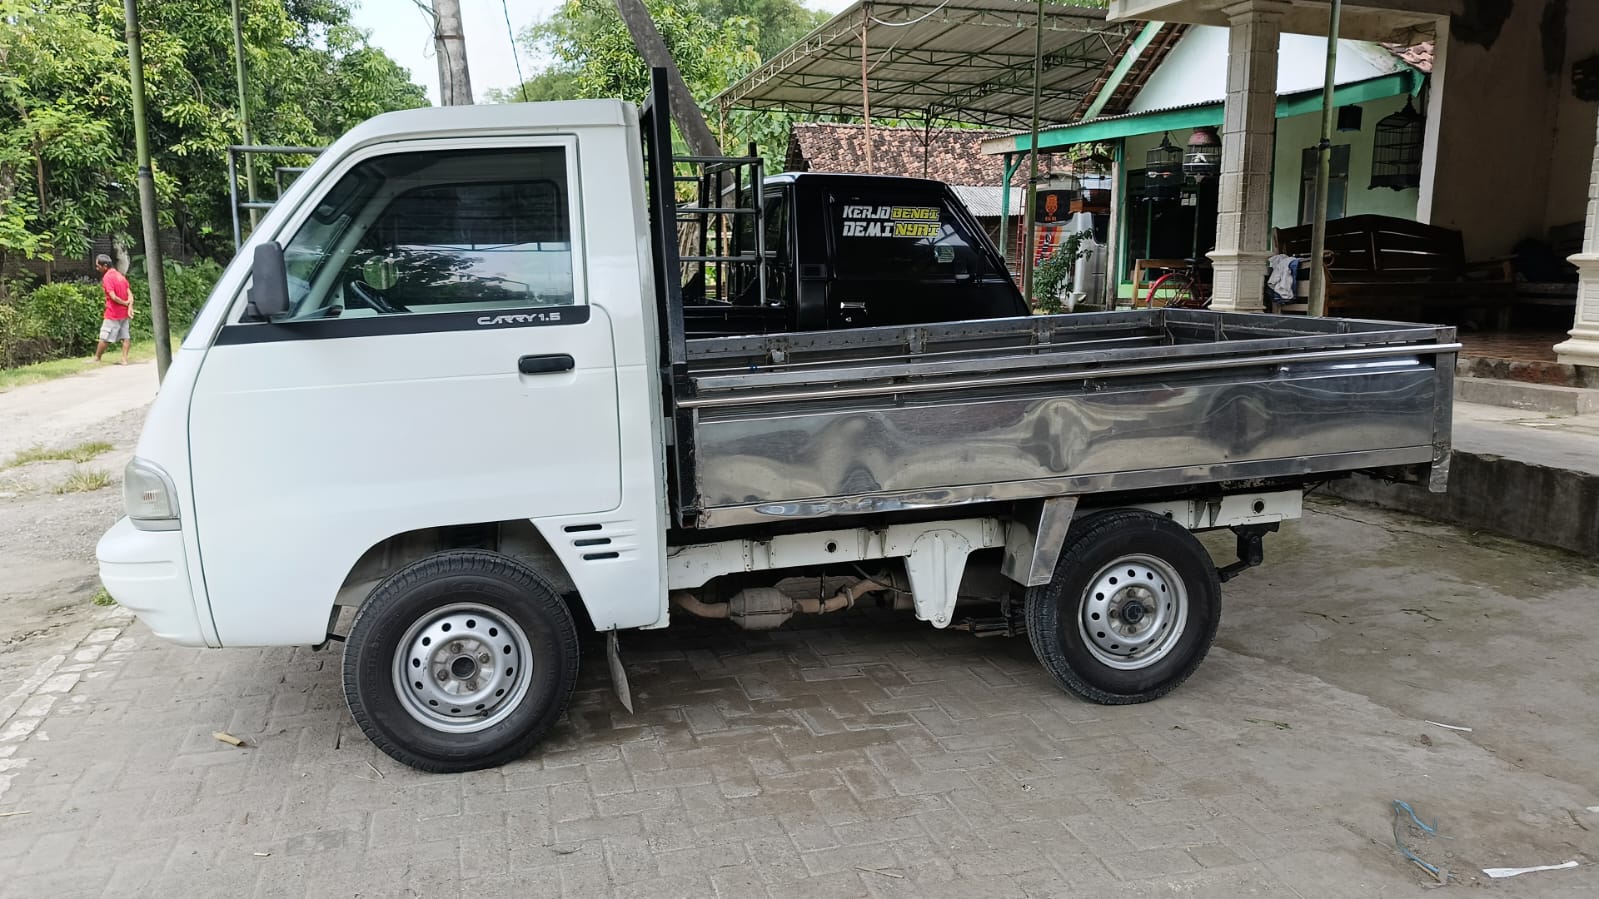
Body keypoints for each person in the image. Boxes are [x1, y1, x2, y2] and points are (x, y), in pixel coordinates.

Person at [94, 253, 133, 365]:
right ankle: (124, 359)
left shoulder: (107, 278)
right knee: (125, 336)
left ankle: (97, 358)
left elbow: (113, 296)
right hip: (124, 314)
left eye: (98, 266)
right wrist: (129, 306)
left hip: (113, 313)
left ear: (105, 266)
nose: (97, 268)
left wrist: (125, 303)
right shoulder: (120, 275)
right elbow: (130, 293)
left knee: (105, 337)